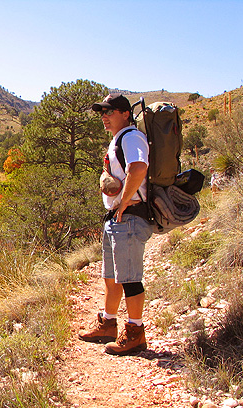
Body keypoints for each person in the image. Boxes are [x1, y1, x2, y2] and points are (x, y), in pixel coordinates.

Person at [78, 93, 153, 356]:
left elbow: (139, 167)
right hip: (118, 217)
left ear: (125, 113)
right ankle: (108, 324)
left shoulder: (132, 137)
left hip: (129, 216)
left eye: (110, 111)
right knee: (112, 277)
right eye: (102, 112)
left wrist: (123, 202)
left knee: (130, 278)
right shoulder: (118, 140)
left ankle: (135, 333)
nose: (105, 116)